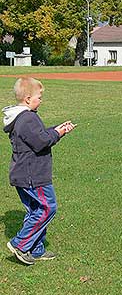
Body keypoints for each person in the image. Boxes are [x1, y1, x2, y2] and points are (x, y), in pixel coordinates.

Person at [2, 77, 76, 264]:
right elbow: (41, 142)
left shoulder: (23, 117)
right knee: (47, 207)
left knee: (35, 210)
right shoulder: (27, 118)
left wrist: (57, 129)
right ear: (28, 99)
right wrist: (58, 133)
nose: (41, 100)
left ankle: (36, 250)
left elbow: (39, 136)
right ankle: (20, 244)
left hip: (25, 174)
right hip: (32, 176)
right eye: (39, 97)